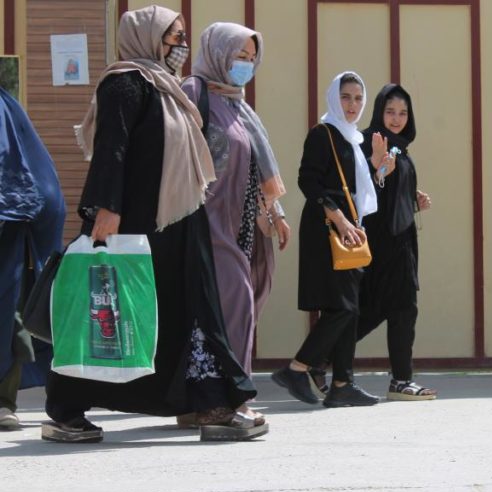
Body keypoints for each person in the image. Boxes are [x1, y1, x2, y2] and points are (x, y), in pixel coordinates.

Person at [43, 5, 265, 443]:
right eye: (173, 36)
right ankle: (66, 412)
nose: (181, 45)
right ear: (147, 37)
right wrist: (106, 207)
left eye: (182, 36)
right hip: (134, 224)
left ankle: (212, 405)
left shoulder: (168, 88)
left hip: (179, 224)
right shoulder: (125, 82)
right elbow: (113, 146)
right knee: (108, 315)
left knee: (192, 314)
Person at [181, 22, 289, 421]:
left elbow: (256, 166)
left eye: (251, 58)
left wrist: (274, 212)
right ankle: (224, 399)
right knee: (232, 304)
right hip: (204, 222)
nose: (246, 65)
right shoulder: (193, 93)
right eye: (238, 56)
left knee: (230, 307)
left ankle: (207, 402)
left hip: (239, 225)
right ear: (217, 54)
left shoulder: (238, 106)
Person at [309, 84, 436, 401]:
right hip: (381, 240)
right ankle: (399, 380)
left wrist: (411, 199)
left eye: (403, 113)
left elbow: (388, 190)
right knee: (392, 308)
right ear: (379, 112)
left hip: (400, 238)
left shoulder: (400, 147)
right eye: (390, 112)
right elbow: (362, 189)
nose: (396, 119)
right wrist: (380, 170)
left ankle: (318, 361)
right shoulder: (369, 142)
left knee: (378, 309)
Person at [271, 71, 383, 408]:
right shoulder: (323, 133)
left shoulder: (353, 139)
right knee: (343, 306)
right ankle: (297, 368)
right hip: (327, 226)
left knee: (350, 307)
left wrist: (377, 167)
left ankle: (343, 384)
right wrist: (339, 218)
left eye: (358, 98)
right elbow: (308, 181)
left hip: (349, 227)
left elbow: (355, 186)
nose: (352, 104)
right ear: (334, 98)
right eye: (346, 97)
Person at [0, 86, 66, 430]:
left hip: (9, 227)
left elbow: (27, 178)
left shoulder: (4, 109)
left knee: (7, 309)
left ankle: (2, 401)